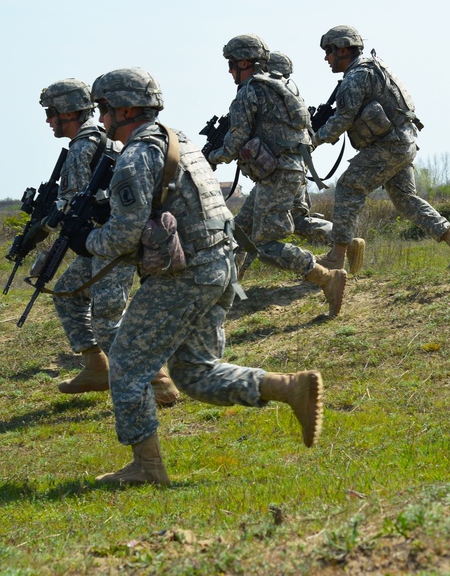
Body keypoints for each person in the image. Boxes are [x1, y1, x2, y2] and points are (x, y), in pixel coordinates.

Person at [81, 68, 324, 486]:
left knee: (124, 363)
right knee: (194, 370)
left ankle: (147, 468)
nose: (102, 121)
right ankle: (289, 388)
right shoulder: (181, 142)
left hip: (186, 275)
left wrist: (88, 239)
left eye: (105, 111)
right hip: (218, 267)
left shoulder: (137, 156)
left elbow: (122, 235)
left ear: (125, 108)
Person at [39, 78, 178, 401]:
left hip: (109, 239)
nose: (48, 120)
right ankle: (96, 366)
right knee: (66, 293)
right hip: (102, 239)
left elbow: (74, 203)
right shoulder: (106, 137)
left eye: (51, 113)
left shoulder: (83, 147)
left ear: (66, 112)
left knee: (107, 319)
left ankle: (158, 380)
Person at [312, 25, 450, 269]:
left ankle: (336, 257)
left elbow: (343, 120)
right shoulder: (371, 68)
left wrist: (314, 140)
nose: (326, 58)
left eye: (329, 51)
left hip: (389, 145)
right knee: (405, 199)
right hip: (403, 141)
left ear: (344, 49)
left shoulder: (356, 77)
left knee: (348, 186)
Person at [208, 35, 347, 317]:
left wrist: (209, 158)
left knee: (264, 244)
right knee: (237, 231)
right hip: (289, 170)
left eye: (231, 64)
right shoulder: (280, 87)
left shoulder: (249, 92)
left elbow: (236, 141)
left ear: (244, 62)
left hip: (278, 174)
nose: (229, 71)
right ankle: (228, 294)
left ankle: (326, 278)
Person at [235, 50, 337, 279]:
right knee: (254, 225)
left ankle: (321, 271)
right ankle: (341, 239)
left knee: (259, 237)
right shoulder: (290, 95)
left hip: (276, 172)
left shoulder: (259, 92)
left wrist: (218, 155)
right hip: (295, 169)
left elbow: (241, 135)